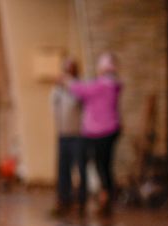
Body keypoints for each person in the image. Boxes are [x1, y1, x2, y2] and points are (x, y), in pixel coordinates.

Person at [68, 52, 122, 209]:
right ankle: (104, 193)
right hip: (105, 130)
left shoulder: (104, 86)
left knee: (100, 164)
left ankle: (104, 195)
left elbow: (81, 90)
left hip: (100, 131)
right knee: (103, 164)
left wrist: (69, 81)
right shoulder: (111, 85)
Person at [52, 58, 86, 211]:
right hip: (63, 133)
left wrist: (71, 84)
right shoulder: (58, 91)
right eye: (66, 71)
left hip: (78, 134)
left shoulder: (80, 88)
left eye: (71, 71)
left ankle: (81, 199)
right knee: (63, 167)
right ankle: (63, 197)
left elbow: (81, 103)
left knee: (79, 167)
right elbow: (53, 108)